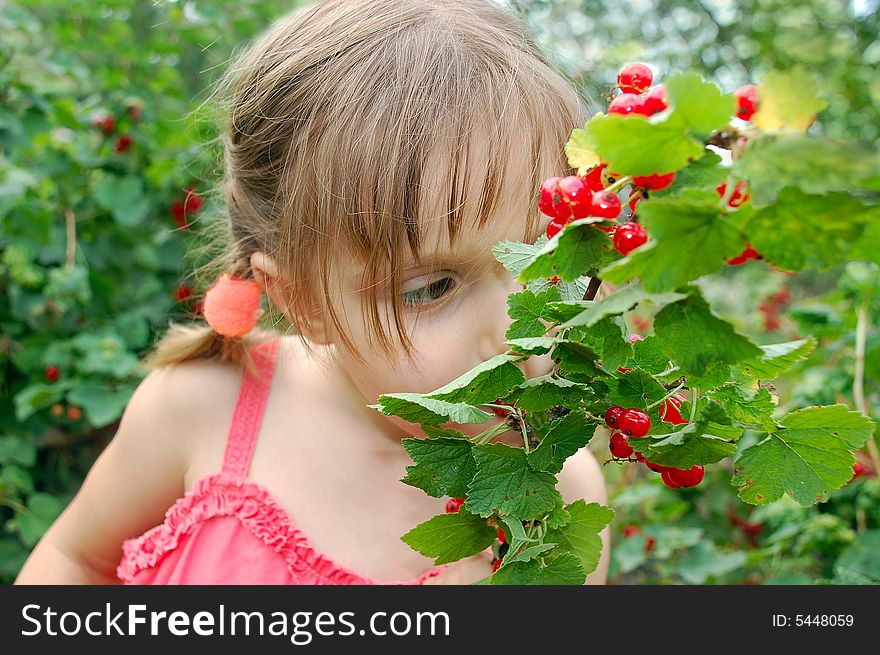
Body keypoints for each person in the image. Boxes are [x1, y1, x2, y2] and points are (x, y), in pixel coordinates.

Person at [15, 0, 609, 585]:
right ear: (301, 300)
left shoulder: (560, 495)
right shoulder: (202, 410)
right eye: (432, 288)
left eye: (548, 254)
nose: (516, 332)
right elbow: (73, 562)